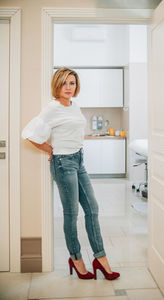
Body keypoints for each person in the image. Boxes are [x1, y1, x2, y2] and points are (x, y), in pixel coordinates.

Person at [21, 67, 120, 280]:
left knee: (92, 208)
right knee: (71, 214)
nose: (68, 87)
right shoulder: (52, 108)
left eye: (72, 83)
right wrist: (51, 150)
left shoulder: (75, 105)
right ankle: (76, 259)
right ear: (57, 85)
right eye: (65, 83)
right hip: (63, 163)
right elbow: (29, 134)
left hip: (78, 159)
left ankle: (100, 258)